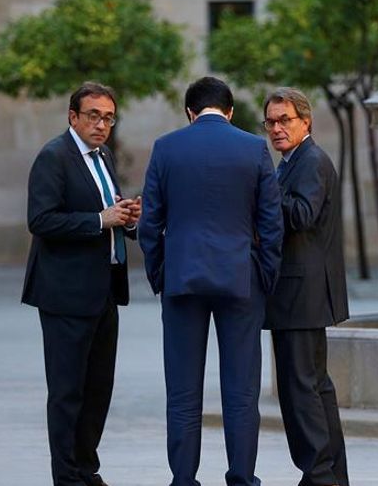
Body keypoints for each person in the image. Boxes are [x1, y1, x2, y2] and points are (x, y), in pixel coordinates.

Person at [138, 76, 283, 486]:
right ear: (230, 111)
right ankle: (242, 478)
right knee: (241, 392)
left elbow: (150, 223)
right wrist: (264, 276)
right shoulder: (254, 148)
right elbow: (272, 224)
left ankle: (183, 479)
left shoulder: (166, 148)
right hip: (241, 279)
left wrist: (160, 274)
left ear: (190, 112)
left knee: (183, 392)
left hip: (182, 280)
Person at [21, 81, 141, 486]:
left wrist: (126, 217)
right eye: (93, 115)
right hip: (65, 294)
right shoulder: (53, 157)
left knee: (97, 389)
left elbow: (106, 211)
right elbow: (41, 220)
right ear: (73, 117)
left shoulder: (103, 156)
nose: (101, 124)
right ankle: (67, 477)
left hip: (104, 290)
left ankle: (86, 469)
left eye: (108, 117)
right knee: (67, 391)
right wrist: (99, 220)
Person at [262, 87, 349, 486]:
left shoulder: (310, 161)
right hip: (301, 296)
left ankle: (318, 476)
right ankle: (331, 476)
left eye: (285, 120)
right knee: (315, 389)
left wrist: (263, 188)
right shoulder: (292, 162)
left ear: (306, 122)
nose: (276, 129)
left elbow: (300, 214)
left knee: (301, 392)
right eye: (271, 122)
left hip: (301, 296)